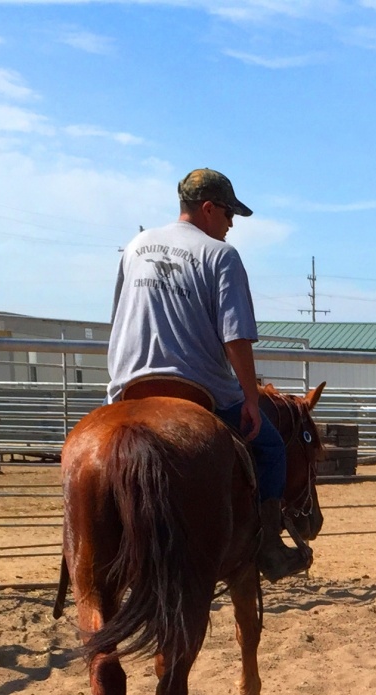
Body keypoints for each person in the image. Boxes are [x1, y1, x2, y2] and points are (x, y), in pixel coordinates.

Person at [106, 168, 309, 583]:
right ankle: (270, 547)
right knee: (272, 448)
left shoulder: (136, 246)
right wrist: (251, 399)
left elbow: (117, 317)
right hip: (199, 389)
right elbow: (236, 337)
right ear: (208, 208)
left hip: (129, 387)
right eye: (229, 214)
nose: (231, 224)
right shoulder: (220, 255)